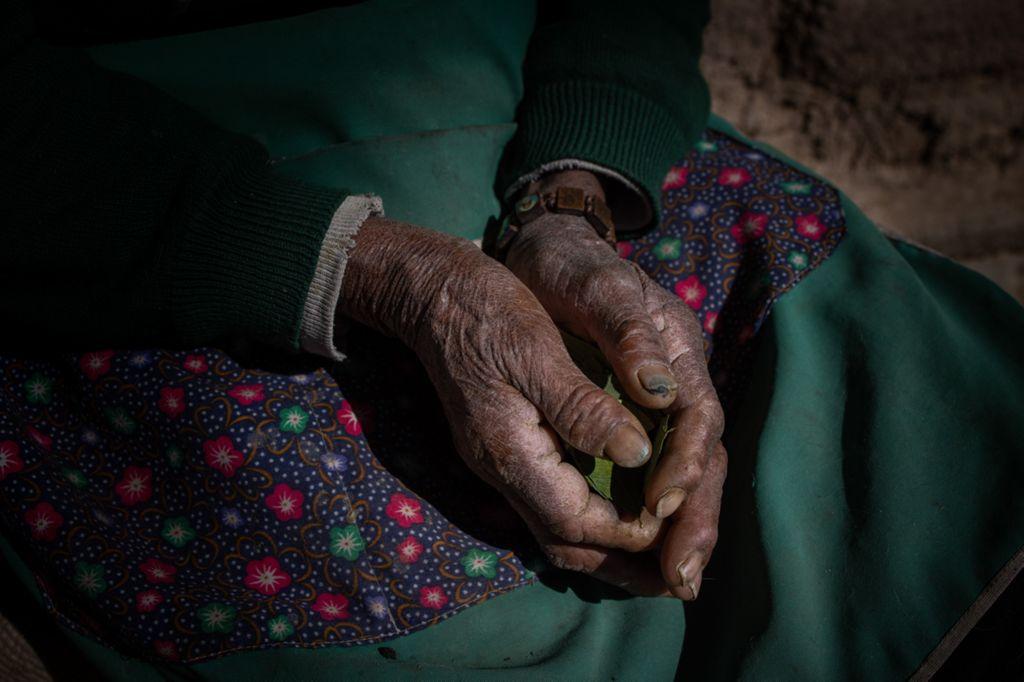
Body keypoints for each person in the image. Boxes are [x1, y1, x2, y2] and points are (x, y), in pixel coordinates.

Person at [1, 0, 1022, 679]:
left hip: (520, 128)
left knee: (879, 375)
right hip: (142, 212)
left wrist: (573, 205)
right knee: (366, 550)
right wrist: (388, 276)